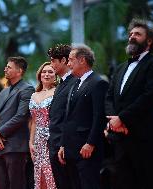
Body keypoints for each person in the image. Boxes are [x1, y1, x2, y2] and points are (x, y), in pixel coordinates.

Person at [105, 18, 153, 189]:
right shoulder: (119, 68)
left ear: (149, 41)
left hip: (143, 137)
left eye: (137, 34)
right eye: (131, 34)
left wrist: (122, 119)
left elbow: (149, 97)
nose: (132, 36)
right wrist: (113, 121)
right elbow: (109, 97)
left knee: (148, 182)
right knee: (123, 183)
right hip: (120, 139)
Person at [58, 45, 109, 189]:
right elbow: (68, 117)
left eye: (70, 60)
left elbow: (99, 117)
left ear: (82, 60)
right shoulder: (74, 84)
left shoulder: (98, 83)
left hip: (87, 149)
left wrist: (91, 143)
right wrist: (63, 144)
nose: (68, 64)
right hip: (71, 148)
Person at [0, 56, 35, 189]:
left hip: (15, 146)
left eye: (9, 67)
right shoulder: (3, 92)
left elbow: (21, 116)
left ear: (19, 71)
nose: (5, 69)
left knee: (16, 185)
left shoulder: (27, 89)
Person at [47, 44, 76, 189]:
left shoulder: (75, 82)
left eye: (53, 61)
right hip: (54, 143)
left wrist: (63, 143)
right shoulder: (61, 84)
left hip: (65, 145)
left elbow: (70, 116)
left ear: (64, 60)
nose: (51, 65)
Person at [29, 62, 57, 189]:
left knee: (51, 173)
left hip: (51, 139)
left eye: (50, 72)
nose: (46, 74)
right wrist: (31, 142)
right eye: (44, 72)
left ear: (55, 75)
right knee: (38, 175)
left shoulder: (57, 92)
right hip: (38, 141)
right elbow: (34, 121)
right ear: (39, 75)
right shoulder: (34, 94)